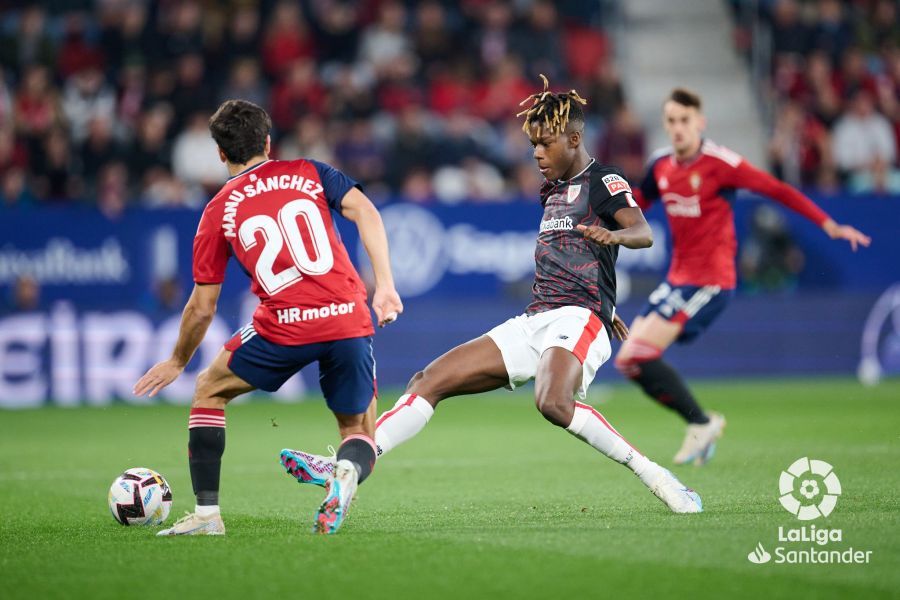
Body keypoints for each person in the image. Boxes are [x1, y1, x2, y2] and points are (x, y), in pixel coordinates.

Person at [282, 76, 704, 514]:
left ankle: (655, 476)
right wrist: (607, 296)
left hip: (577, 319)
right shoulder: (553, 190)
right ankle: (345, 467)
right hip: (536, 319)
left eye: (546, 143)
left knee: (553, 402)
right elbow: (574, 258)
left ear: (575, 138)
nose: (537, 154)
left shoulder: (603, 179)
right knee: (428, 381)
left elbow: (642, 231)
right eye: (533, 145)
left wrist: (613, 242)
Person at [133, 100, 402, 535]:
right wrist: (385, 285)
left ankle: (207, 516)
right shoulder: (312, 172)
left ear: (220, 153)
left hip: (284, 325)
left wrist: (178, 360)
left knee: (208, 389)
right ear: (268, 142)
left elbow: (203, 307)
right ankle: (345, 472)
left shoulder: (218, 210)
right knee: (358, 430)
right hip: (346, 315)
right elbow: (366, 212)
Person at [614, 88, 871, 465]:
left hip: (711, 280)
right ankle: (701, 423)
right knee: (629, 361)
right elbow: (639, 201)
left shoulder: (721, 164)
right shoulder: (660, 166)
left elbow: (777, 189)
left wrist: (829, 225)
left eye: (685, 120)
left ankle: (701, 423)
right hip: (677, 279)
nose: (678, 128)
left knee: (640, 353)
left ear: (700, 122)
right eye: (671, 121)